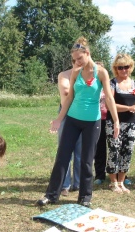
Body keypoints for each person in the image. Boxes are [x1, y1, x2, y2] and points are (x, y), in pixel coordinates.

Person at [37, 36, 119, 207]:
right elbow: (69, 98)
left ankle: (85, 197)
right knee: (62, 157)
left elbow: (109, 99)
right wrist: (59, 119)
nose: (77, 62)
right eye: (74, 60)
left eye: (79, 58)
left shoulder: (101, 72)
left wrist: (116, 122)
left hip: (92, 122)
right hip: (73, 120)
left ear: (87, 53)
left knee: (87, 161)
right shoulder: (75, 72)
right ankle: (51, 195)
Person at [106, 54, 135, 193]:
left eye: (126, 67)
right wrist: (128, 108)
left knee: (128, 151)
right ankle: (113, 182)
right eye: (120, 67)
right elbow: (110, 104)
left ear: (130, 67)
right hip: (114, 123)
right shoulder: (112, 83)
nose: (123, 70)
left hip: (132, 123)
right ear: (116, 69)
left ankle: (121, 181)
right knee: (114, 150)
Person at [57, 60, 81, 196]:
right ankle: (65, 184)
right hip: (65, 115)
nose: (78, 63)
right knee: (65, 151)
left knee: (80, 152)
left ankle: (77, 183)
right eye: (75, 60)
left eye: (81, 60)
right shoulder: (64, 75)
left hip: (82, 114)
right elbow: (66, 91)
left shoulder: (87, 76)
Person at [93, 61, 107, 185]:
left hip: (109, 118)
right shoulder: (90, 84)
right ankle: (100, 175)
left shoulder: (109, 84)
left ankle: (119, 174)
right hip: (96, 119)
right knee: (99, 148)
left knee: (115, 147)